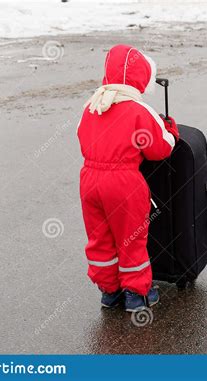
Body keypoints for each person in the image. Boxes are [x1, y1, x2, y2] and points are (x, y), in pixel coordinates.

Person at [77, 44, 179, 312]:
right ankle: (136, 294)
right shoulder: (138, 110)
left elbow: (81, 139)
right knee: (130, 239)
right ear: (140, 78)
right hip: (124, 184)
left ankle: (109, 292)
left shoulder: (92, 105)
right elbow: (159, 149)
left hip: (89, 181)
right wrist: (170, 131)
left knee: (100, 238)